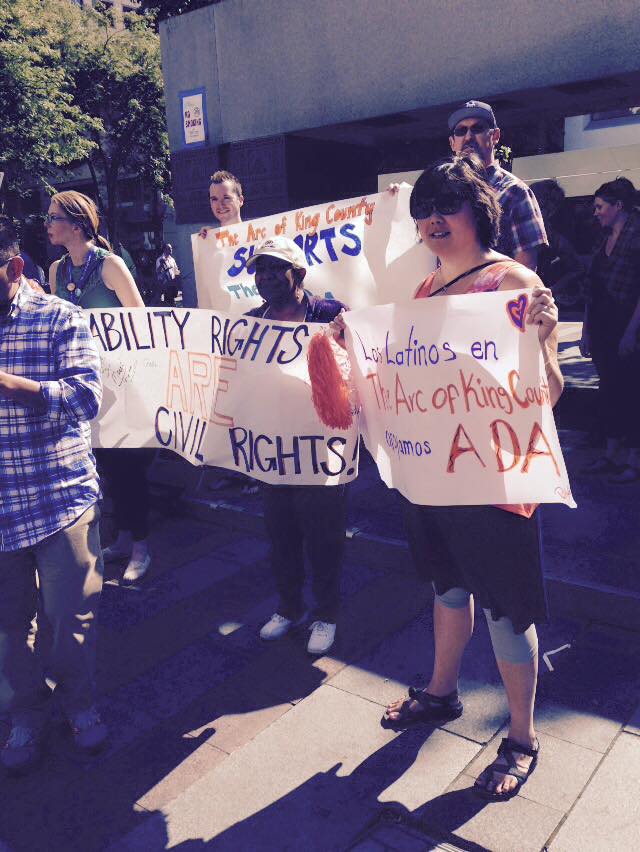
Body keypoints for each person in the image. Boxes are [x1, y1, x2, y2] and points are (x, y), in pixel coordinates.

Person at [331, 154, 562, 800]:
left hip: (493, 486)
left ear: (477, 214)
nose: (433, 222)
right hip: (434, 480)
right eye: (424, 212)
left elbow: (551, 392)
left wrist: (541, 341)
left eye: (446, 208)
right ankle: (442, 693)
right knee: (447, 591)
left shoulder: (512, 281)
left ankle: (521, 736)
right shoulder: (426, 292)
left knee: (506, 614)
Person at [0, 216, 107, 771]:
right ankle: (23, 714)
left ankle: (78, 703)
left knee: (69, 616)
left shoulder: (60, 318)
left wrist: (12, 383)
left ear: (13, 268)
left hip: (59, 498)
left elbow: (88, 397)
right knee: (6, 630)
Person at [246, 236, 348, 655]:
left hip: (322, 451)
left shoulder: (329, 314)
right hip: (275, 452)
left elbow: (360, 365)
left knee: (324, 537)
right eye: (260, 270)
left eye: (275, 268)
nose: (266, 277)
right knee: (280, 534)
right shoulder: (251, 321)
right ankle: (290, 607)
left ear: (299, 274)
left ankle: (327, 614)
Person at [45, 191, 153, 583]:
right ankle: (123, 537)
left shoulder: (111, 265)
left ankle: (141, 545)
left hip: (118, 384)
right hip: (79, 385)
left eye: (53, 217)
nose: (47, 224)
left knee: (128, 464)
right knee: (103, 463)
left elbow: (140, 321)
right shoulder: (57, 270)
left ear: (77, 225)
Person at [579, 177, 640, 483]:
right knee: (610, 389)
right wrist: (586, 330)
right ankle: (611, 453)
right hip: (603, 322)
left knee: (631, 390)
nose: (596, 212)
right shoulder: (602, 238)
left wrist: (631, 332)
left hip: (628, 322)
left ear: (619, 206)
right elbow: (591, 286)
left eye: (601, 206)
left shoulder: (638, 234)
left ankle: (632, 459)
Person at [448, 100, 548, 270]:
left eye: (478, 128)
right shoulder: (444, 192)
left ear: (495, 136)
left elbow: (525, 268)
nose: (468, 136)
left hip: (494, 296)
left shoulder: (516, 192)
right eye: (461, 130)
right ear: (452, 142)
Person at [199, 170, 244, 239]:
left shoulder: (260, 236)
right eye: (214, 199)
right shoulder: (208, 240)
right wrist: (210, 238)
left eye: (226, 198)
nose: (220, 204)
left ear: (240, 200)